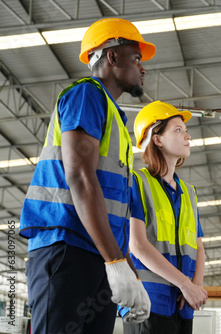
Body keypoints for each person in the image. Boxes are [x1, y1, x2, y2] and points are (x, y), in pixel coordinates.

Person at [19, 18, 156, 333]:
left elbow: (111, 210)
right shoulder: (86, 96)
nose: (143, 68)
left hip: (97, 255)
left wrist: (128, 271)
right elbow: (80, 178)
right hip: (65, 249)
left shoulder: (116, 121)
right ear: (112, 57)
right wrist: (116, 263)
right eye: (136, 59)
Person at [121, 101, 208, 334]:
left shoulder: (189, 192)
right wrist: (185, 284)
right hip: (148, 302)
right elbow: (137, 246)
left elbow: (198, 246)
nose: (187, 135)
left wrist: (195, 286)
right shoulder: (137, 182)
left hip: (183, 304)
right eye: (178, 130)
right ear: (157, 139)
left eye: (186, 130)